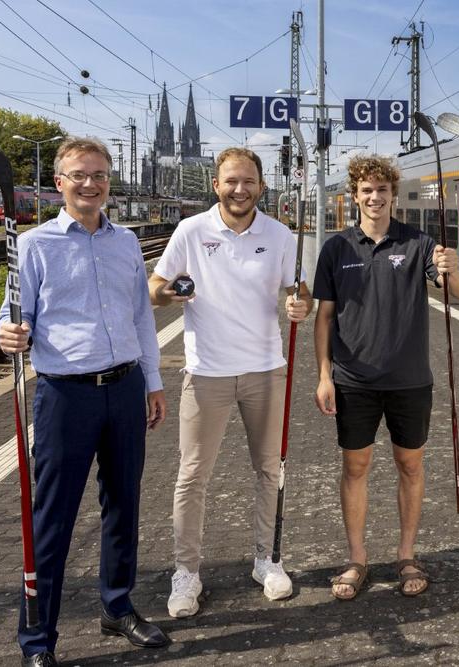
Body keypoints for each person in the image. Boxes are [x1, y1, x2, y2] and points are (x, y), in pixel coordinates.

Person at [0, 137, 169, 667]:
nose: (90, 184)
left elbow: (140, 316)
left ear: (109, 181)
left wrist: (153, 381)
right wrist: (8, 333)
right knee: (52, 518)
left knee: (123, 505)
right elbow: (11, 315)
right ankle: (38, 641)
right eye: (78, 175)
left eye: (99, 175)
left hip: (125, 388)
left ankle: (117, 607)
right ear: (60, 183)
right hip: (65, 396)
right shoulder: (34, 245)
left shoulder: (127, 243)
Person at [150, 147, 312, 618]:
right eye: (231, 181)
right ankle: (186, 573)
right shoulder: (191, 231)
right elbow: (154, 289)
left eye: (248, 182)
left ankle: (267, 560)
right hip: (207, 373)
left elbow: (299, 290)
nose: (239, 190)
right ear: (216, 185)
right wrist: (170, 293)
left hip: (265, 371)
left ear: (261, 186)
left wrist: (300, 303)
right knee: (192, 476)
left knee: (269, 470)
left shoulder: (279, 235)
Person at [313, 154, 459, 600]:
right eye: (366, 190)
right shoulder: (337, 249)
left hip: (409, 380)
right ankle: (357, 558)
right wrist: (324, 375)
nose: (374, 197)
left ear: (393, 195)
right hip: (353, 380)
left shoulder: (419, 243)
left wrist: (452, 267)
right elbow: (324, 318)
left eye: (382, 190)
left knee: (410, 465)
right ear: (355, 196)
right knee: (355, 467)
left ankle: (406, 555)